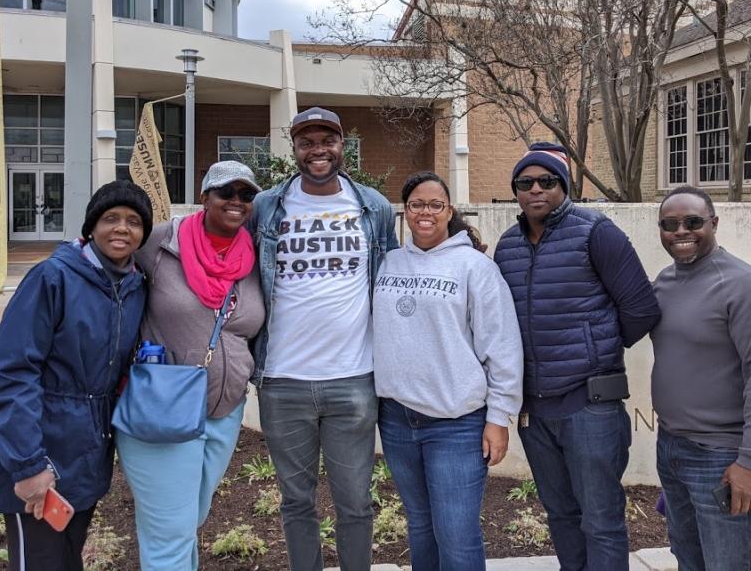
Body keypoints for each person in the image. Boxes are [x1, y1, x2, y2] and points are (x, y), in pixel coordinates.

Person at [0, 180, 152, 571]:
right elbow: (14, 372)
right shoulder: (52, 278)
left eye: (134, 221)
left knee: (67, 558)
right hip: (38, 445)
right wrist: (28, 465)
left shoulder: (132, 286)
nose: (122, 228)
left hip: (85, 453)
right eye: (110, 218)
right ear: (91, 227)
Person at [493, 142, 661, 571]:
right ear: (515, 190)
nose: (536, 190)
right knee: (562, 516)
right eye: (525, 183)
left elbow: (640, 308)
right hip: (535, 410)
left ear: (563, 186)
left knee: (601, 521)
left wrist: (596, 348)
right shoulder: (508, 246)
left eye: (547, 181)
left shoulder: (595, 232)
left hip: (590, 406)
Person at [250, 106, 399, 571]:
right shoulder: (267, 206)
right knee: (296, 503)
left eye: (327, 141)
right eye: (307, 142)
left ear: (342, 146)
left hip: (353, 379)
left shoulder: (372, 205)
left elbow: (392, 276)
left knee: (354, 502)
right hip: (281, 379)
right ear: (294, 149)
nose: (318, 151)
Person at [116, 161, 265, 570]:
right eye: (226, 192)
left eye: (246, 195)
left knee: (187, 521)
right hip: (163, 404)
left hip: (224, 408)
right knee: (170, 532)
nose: (236, 201)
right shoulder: (162, 242)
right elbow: (103, 262)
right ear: (204, 197)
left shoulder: (252, 252)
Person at [373, 171, 523, 571]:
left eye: (435, 205)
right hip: (397, 420)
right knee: (420, 526)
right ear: (405, 212)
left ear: (448, 211)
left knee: (456, 533)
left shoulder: (474, 268)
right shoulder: (388, 262)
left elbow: (502, 346)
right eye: (417, 204)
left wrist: (498, 417)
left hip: (456, 424)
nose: (426, 212)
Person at [652, 185, 751, 571]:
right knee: (689, 560)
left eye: (693, 222)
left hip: (724, 457)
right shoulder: (665, 282)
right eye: (670, 224)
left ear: (714, 223)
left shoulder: (747, 287)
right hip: (673, 449)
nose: (681, 231)